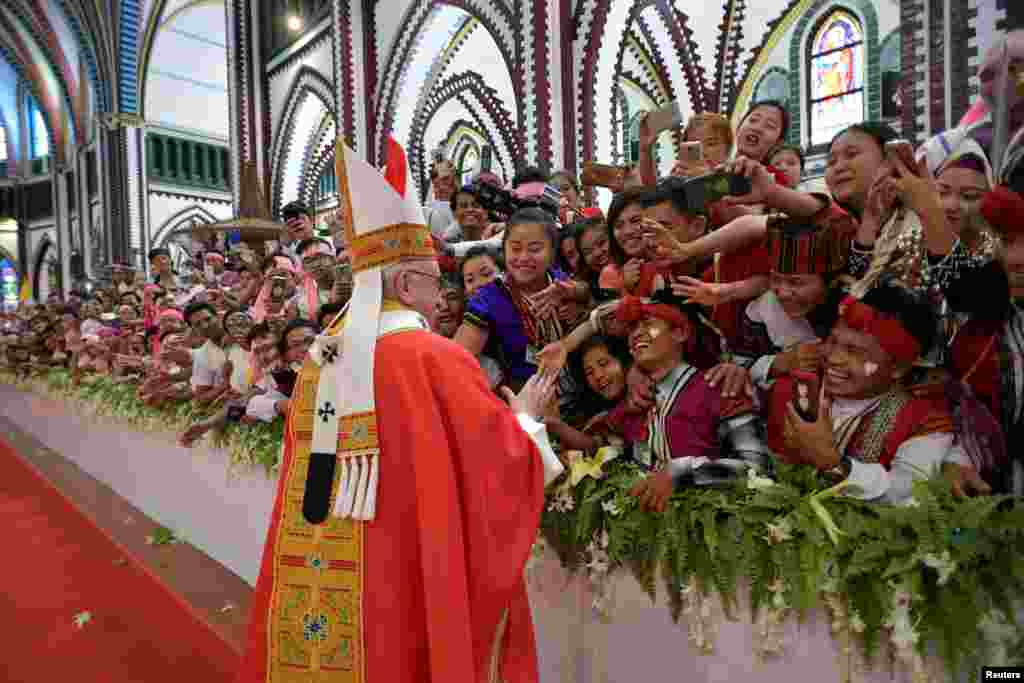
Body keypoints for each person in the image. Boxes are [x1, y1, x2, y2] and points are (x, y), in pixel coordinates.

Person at [237, 139, 563, 683]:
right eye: (437, 284)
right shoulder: (433, 357)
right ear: (407, 284)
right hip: (405, 569)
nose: (442, 299)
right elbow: (496, 471)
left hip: (334, 566)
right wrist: (526, 419)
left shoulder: (323, 359)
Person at [773, 277, 964, 505]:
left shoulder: (925, 422)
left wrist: (833, 464)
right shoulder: (793, 387)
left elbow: (905, 493)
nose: (834, 358)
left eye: (854, 351)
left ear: (897, 367)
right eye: (832, 341)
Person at [606, 291, 771, 510]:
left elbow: (758, 469)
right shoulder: (638, 400)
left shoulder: (721, 387)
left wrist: (682, 473)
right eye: (632, 329)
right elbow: (605, 442)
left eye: (647, 323)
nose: (636, 334)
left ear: (680, 333)